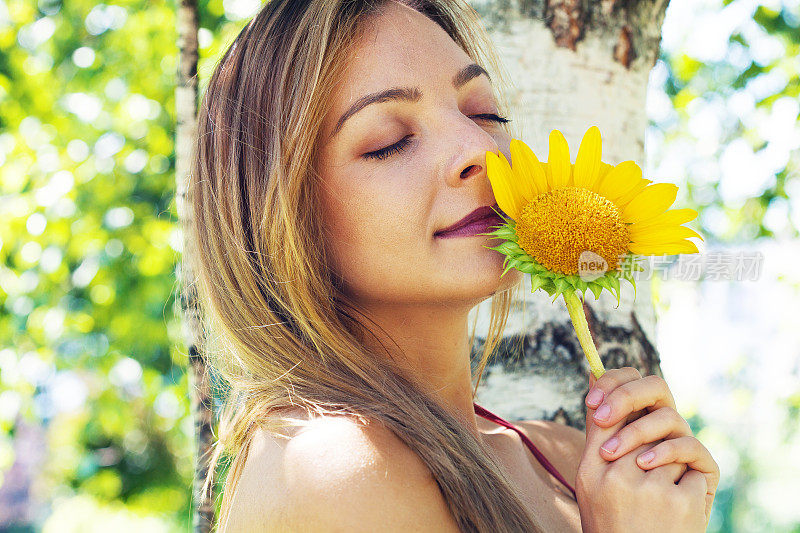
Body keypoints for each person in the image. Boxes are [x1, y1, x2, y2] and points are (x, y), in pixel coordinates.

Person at [188, 0, 720, 531]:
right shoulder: (333, 471)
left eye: (484, 114)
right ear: (280, 214)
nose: (479, 149)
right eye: (389, 142)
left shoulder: (571, 458)